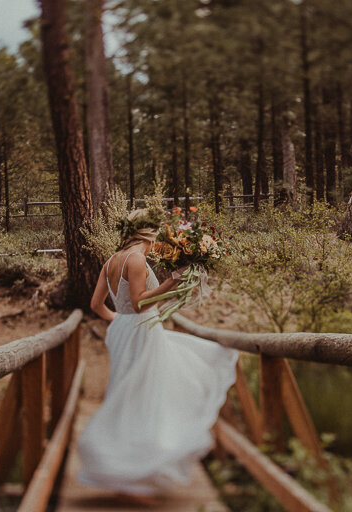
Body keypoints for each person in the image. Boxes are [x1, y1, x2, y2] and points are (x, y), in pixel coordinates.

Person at [77, 208, 238, 504]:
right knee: (143, 396)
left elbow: (96, 305)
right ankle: (136, 473)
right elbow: (139, 304)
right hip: (140, 331)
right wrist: (171, 282)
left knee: (130, 394)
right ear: (148, 234)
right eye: (157, 236)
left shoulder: (111, 260)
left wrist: (120, 322)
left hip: (124, 332)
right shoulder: (136, 260)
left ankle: (128, 473)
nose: (157, 244)